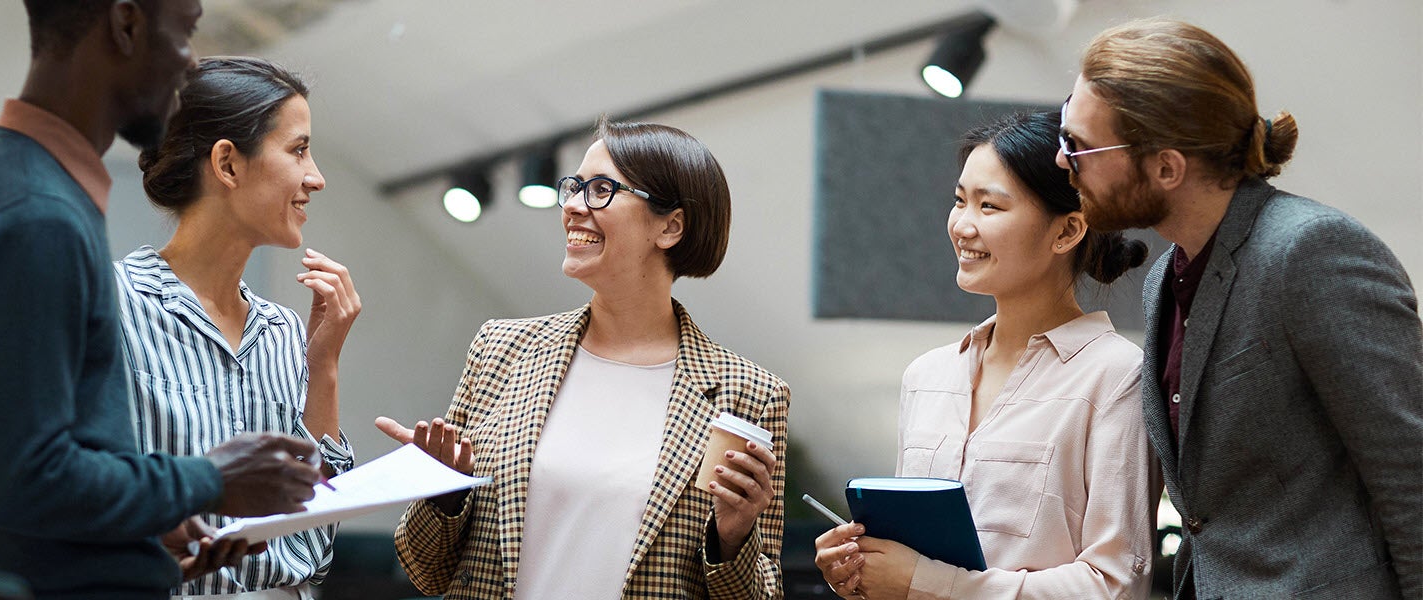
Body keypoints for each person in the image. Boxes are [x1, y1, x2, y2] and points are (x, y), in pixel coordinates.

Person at [0, 3, 324, 598]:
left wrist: (133, 523)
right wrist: (205, 478)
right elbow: (26, 479)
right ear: (126, 26)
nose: (189, 62)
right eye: (186, 31)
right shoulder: (37, 215)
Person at [1056, 18, 1423, 598]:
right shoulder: (1162, 281)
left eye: (1078, 145)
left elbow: (1411, 471)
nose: (1062, 159)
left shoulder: (1311, 251)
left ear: (1167, 167)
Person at [375, 120, 789, 599]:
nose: (572, 206)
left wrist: (733, 538)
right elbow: (427, 571)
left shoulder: (750, 395)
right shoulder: (501, 351)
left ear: (670, 226)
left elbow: (764, 593)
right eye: (572, 187)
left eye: (600, 190)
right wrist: (443, 490)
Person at [815, 111, 1154, 600]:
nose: (962, 226)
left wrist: (925, 582)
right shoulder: (926, 375)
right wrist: (860, 573)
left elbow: (1117, 583)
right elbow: (908, 562)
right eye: (959, 201)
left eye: (989, 206)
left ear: (1067, 231)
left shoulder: (1117, 376)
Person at [118, 56, 360, 599]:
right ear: (227, 164)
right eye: (298, 149)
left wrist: (322, 366)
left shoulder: (280, 333)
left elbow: (313, 551)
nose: (315, 177)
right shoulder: (113, 308)